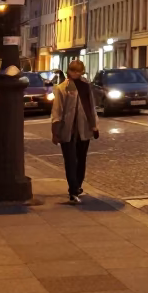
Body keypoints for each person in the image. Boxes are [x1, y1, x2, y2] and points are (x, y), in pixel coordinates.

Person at [50, 59, 99, 203]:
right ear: (69, 71)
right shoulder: (62, 88)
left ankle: (77, 186)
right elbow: (57, 111)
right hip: (68, 129)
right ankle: (73, 190)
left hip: (84, 129)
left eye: (78, 71)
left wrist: (94, 125)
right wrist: (55, 131)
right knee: (70, 161)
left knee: (81, 159)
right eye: (73, 71)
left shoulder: (85, 86)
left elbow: (91, 107)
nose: (75, 74)